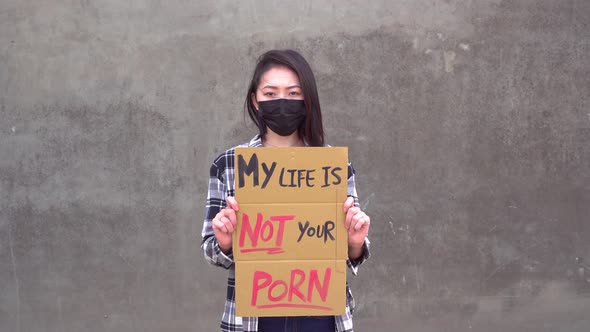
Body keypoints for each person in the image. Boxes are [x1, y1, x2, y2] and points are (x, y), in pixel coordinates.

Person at [201, 49, 371, 332]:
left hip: (321, 315)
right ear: (255, 100)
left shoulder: (333, 167)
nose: (282, 102)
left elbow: (350, 252)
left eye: (293, 93)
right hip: (255, 318)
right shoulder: (229, 164)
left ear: (307, 100)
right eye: (271, 94)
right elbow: (210, 250)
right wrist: (225, 240)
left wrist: (354, 241)